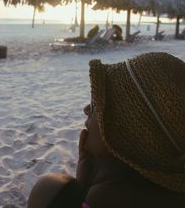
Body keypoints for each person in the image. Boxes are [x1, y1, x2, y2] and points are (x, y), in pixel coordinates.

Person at [27, 52, 185, 208]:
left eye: (96, 105)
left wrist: (81, 191)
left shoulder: (98, 196)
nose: (87, 109)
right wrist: (87, 184)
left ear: (123, 128)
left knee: (48, 188)